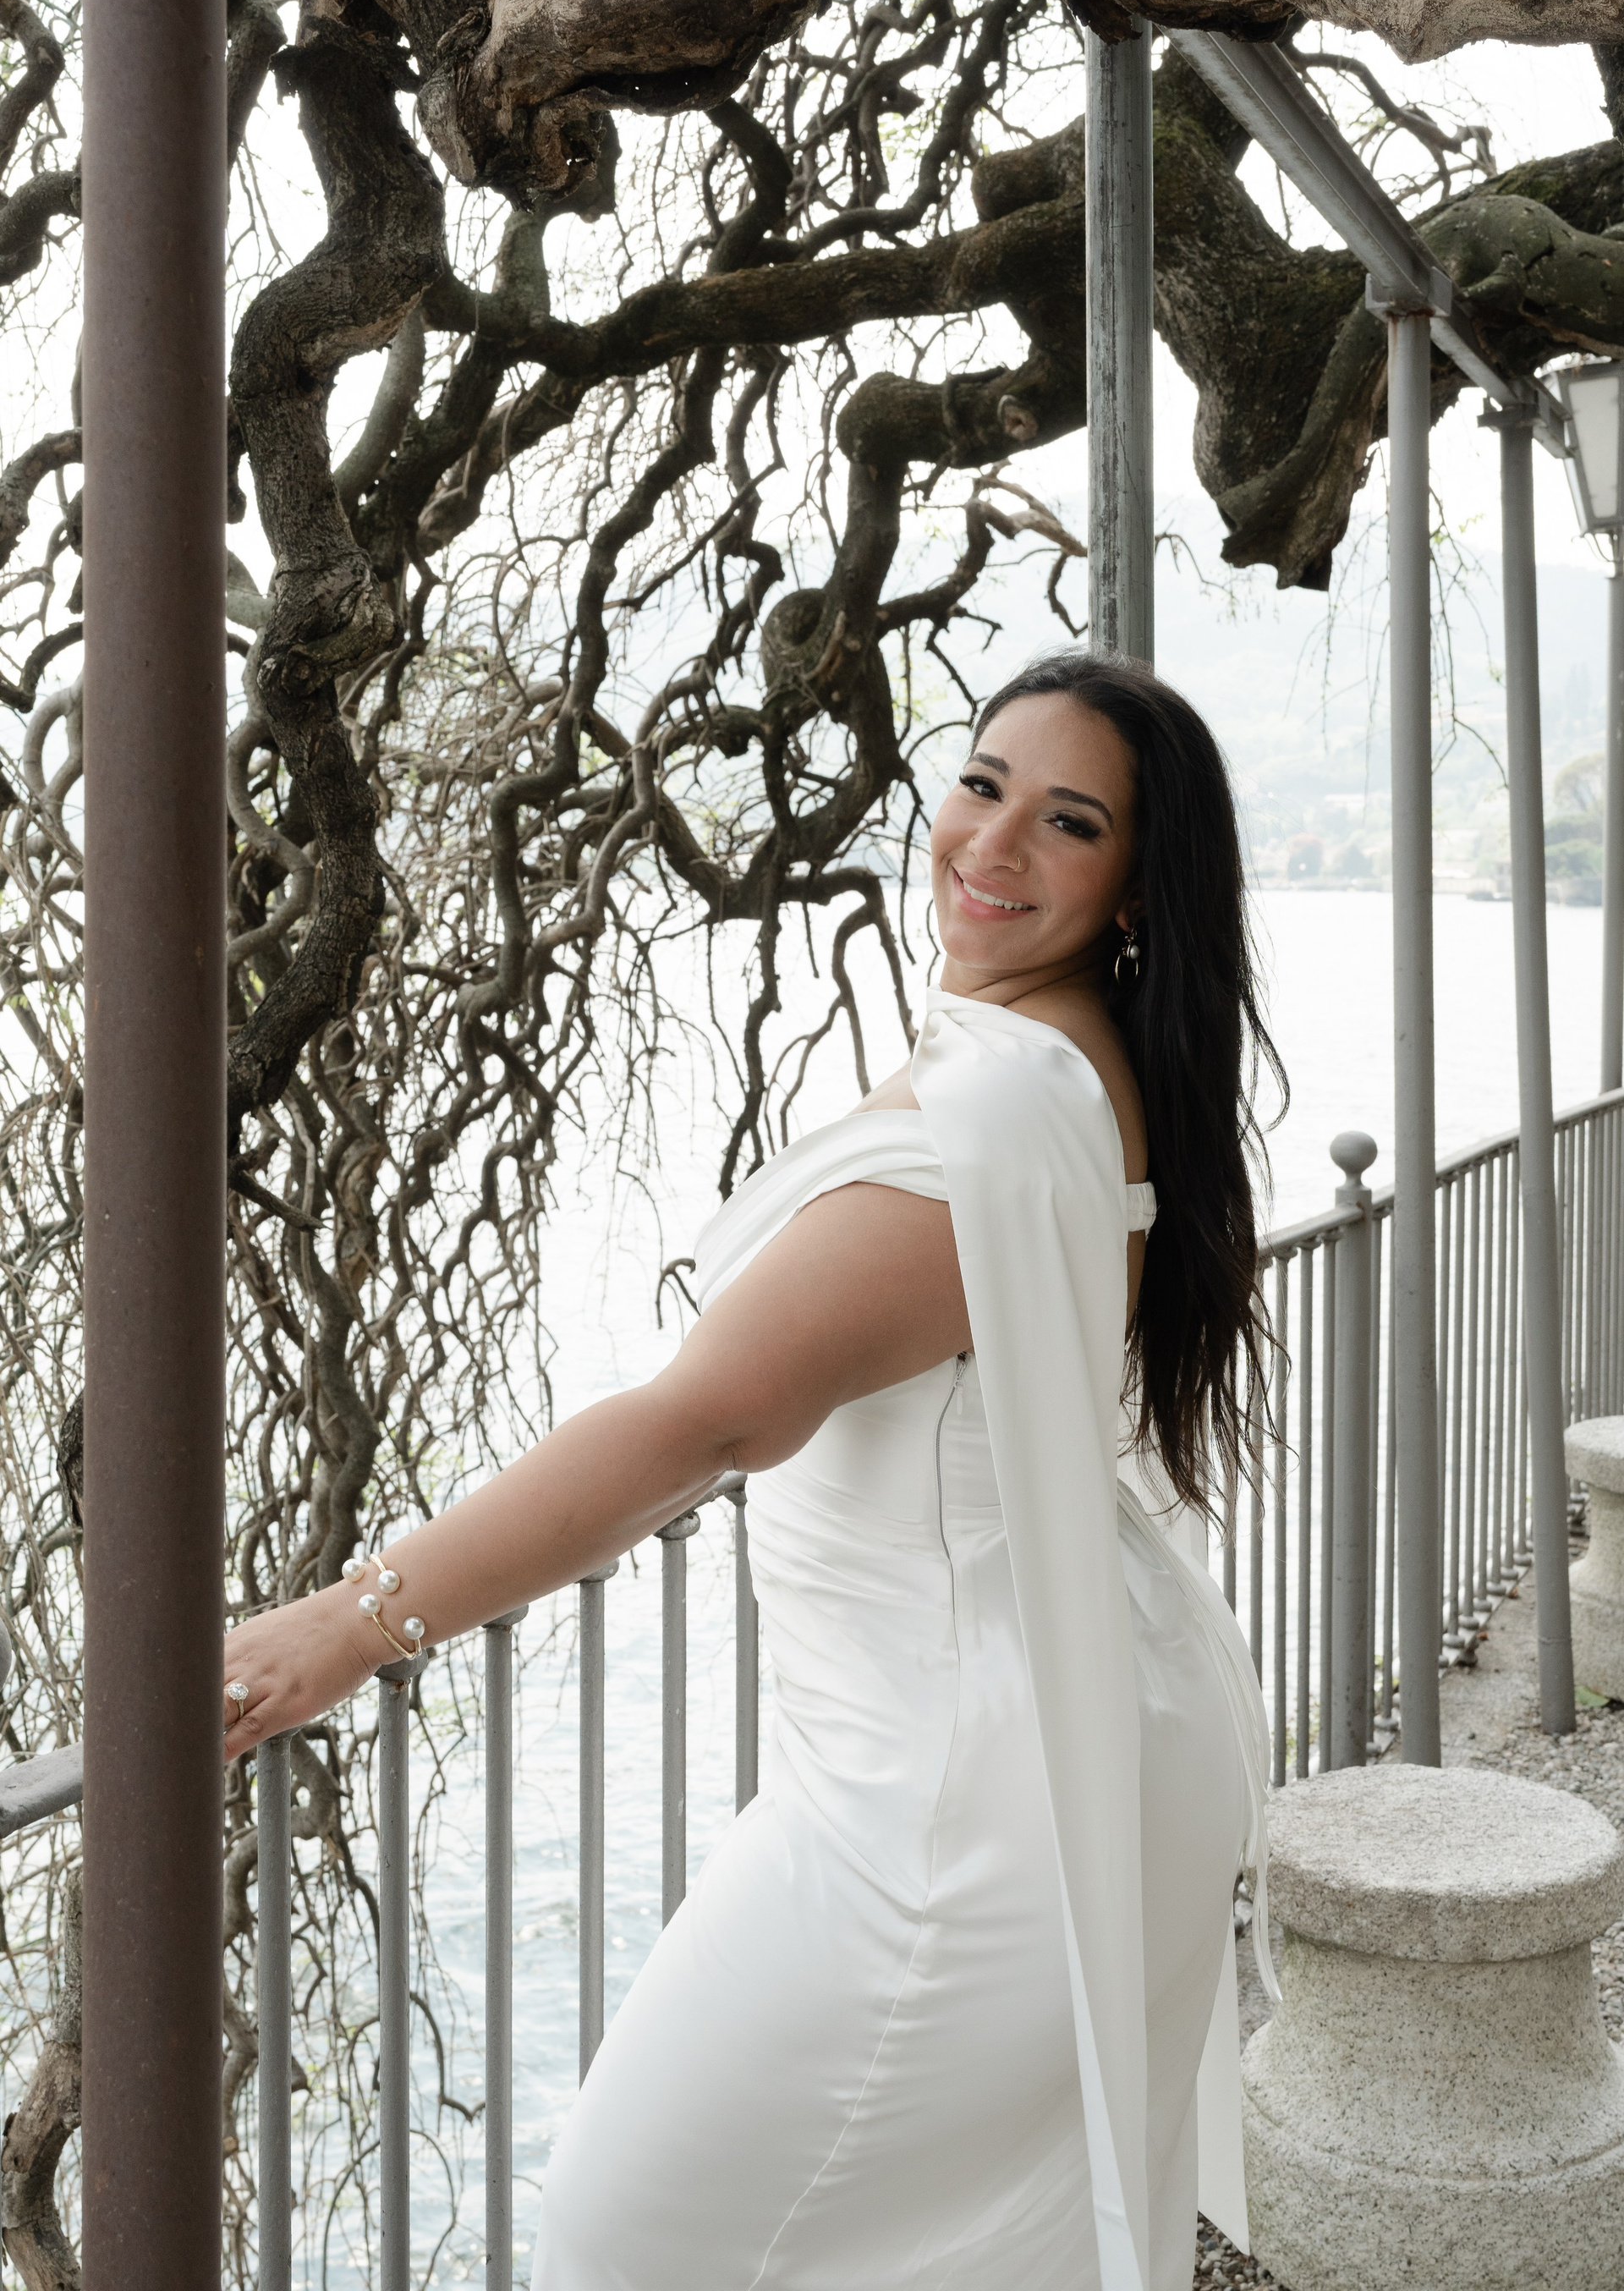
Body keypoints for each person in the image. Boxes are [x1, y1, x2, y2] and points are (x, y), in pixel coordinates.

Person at [223, 648, 1281, 2291]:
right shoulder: (1076, 1061)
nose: (992, 843)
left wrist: (349, 1625)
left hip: (949, 1819)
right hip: (1023, 1739)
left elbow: (706, 1423)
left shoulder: (998, 1121)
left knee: (624, 2237)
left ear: (1138, 886)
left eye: (1068, 822)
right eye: (982, 784)